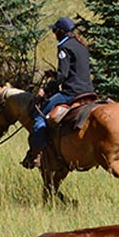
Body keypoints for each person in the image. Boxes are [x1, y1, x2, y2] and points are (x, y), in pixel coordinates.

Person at [22, 16, 95, 169]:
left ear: (61, 32)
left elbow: (63, 76)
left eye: (55, 31)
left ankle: (37, 154)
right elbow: (72, 71)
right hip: (88, 91)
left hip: (71, 93)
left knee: (39, 116)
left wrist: (45, 90)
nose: (54, 34)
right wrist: (54, 75)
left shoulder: (64, 47)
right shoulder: (82, 46)